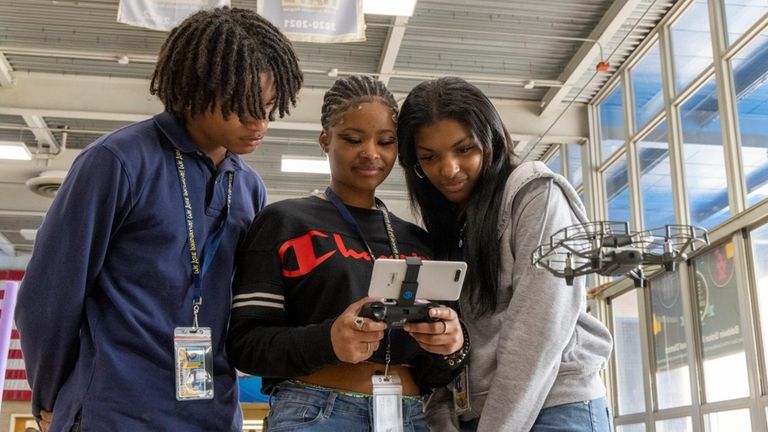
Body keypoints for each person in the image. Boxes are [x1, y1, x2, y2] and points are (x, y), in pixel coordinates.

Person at [14, 7, 303, 431]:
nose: (260, 123)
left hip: (212, 412)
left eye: (270, 107)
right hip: (113, 409)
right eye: (242, 108)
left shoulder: (248, 186)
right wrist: (53, 395)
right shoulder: (116, 162)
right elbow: (49, 296)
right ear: (193, 91)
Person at [227, 74, 469, 431]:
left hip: (411, 415)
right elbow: (246, 344)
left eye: (385, 142)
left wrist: (451, 347)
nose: (370, 152)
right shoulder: (283, 222)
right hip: (317, 413)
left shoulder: (419, 241)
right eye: (353, 139)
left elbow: (434, 373)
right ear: (325, 140)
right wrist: (327, 341)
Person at [396, 76, 614, 432]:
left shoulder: (535, 195)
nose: (448, 169)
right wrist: (444, 418)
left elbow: (537, 333)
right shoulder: (449, 226)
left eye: (464, 149)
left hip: (553, 408)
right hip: (479, 416)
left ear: (491, 140)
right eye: (429, 158)